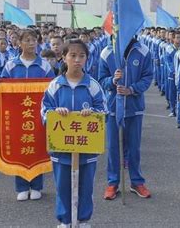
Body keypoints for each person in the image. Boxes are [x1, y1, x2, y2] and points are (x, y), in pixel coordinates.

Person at [41, 39, 107, 227]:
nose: (77, 60)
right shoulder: (55, 85)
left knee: (85, 187)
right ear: (63, 58)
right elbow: (44, 110)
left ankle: (83, 219)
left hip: (87, 148)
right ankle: (65, 220)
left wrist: (92, 114)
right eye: (72, 55)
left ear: (87, 59)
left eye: (81, 56)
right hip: (61, 148)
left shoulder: (92, 85)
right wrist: (56, 114)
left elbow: (103, 110)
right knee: (62, 186)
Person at [1, 29, 55, 201]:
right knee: (20, 148)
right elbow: (3, 86)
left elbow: (52, 89)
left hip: (37, 113)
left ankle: (37, 185)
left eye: (34, 40)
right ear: (19, 43)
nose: (32, 43)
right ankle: (22, 186)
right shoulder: (10, 65)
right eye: (28, 40)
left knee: (37, 146)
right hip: (18, 115)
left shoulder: (44, 66)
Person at [99, 38, 153, 200]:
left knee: (134, 147)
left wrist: (132, 89)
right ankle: (113, 182)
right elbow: (101, 80)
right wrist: (113, 81)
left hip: (134, 107)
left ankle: (136, 182)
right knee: (114, 147)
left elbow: (147, 76)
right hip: (114, 106)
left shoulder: (143, 51)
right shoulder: (107, 52)